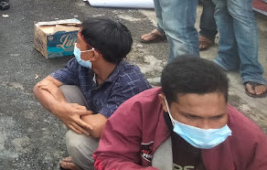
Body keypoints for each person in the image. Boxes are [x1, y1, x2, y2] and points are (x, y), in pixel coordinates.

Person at [94, 56, 267, 170]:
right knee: (79, 144)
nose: (206, 128)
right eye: (192, 116)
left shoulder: (250, 137)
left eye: (217, 117)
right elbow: (108, 157)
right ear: (164, 103)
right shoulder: (137, 110)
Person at [34, 18, 150, 170]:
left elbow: (95, 128)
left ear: (93, 54)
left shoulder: (129, 82)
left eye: (77, 42)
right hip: (103, 124)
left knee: (77, 142)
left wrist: (65, 112)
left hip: (133, 147)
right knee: (64, 91)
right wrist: (60, 108)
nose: (75, 46)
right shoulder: (83, 64)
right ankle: (90, 159)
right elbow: (41, 86)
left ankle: (93, 164)